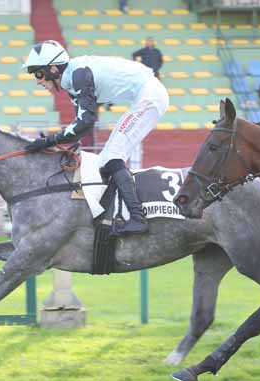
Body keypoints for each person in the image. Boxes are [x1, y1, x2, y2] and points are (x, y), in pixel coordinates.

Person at [21, 40, 169, 235]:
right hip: (146, 95)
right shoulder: (72, 79)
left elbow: (85, 122)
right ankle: (115, 214)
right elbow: (80, 127)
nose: (38, 81)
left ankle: (137, 218)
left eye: (39, 73)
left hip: (150, 95)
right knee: (104, 161)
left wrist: (49, 141)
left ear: (54, 69)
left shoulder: (78, 75)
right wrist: (53, 142)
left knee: (112, 156)